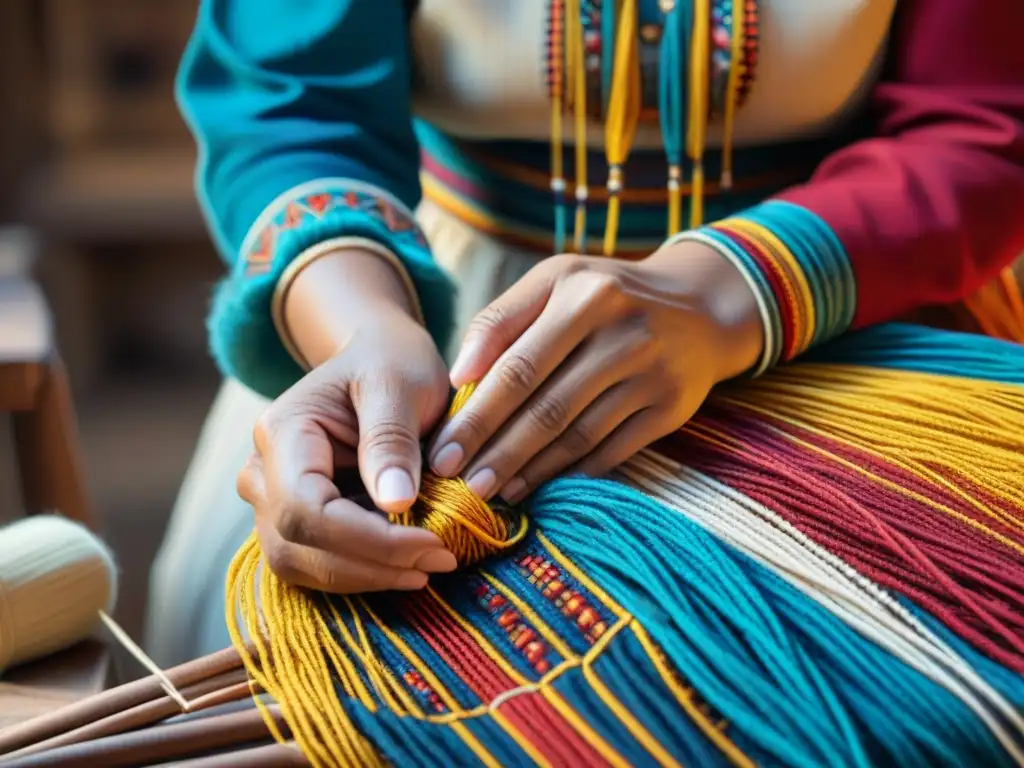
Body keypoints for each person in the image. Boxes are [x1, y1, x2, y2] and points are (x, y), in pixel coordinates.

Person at [145, 0, 1024, 665]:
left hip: (834, 308)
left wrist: (723, 292)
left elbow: (981, 125)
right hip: (436, 322)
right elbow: (290, 102)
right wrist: (363, 332)